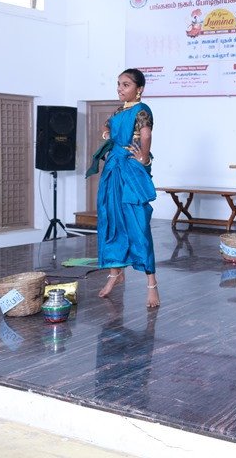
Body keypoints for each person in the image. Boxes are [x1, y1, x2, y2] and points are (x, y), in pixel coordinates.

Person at [87, 68, 159, 307]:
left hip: (129, 170)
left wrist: (143, 157)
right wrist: (107, 134)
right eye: (119, 84)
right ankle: (114, 274)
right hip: (114, 169)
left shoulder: (142, 110)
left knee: (138, 224)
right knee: (112, 220)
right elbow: (107, 127)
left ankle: (152, 285)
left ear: (139, 89)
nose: (120, 88)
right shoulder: (119, 111)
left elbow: (146, 135)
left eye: (126, 85)